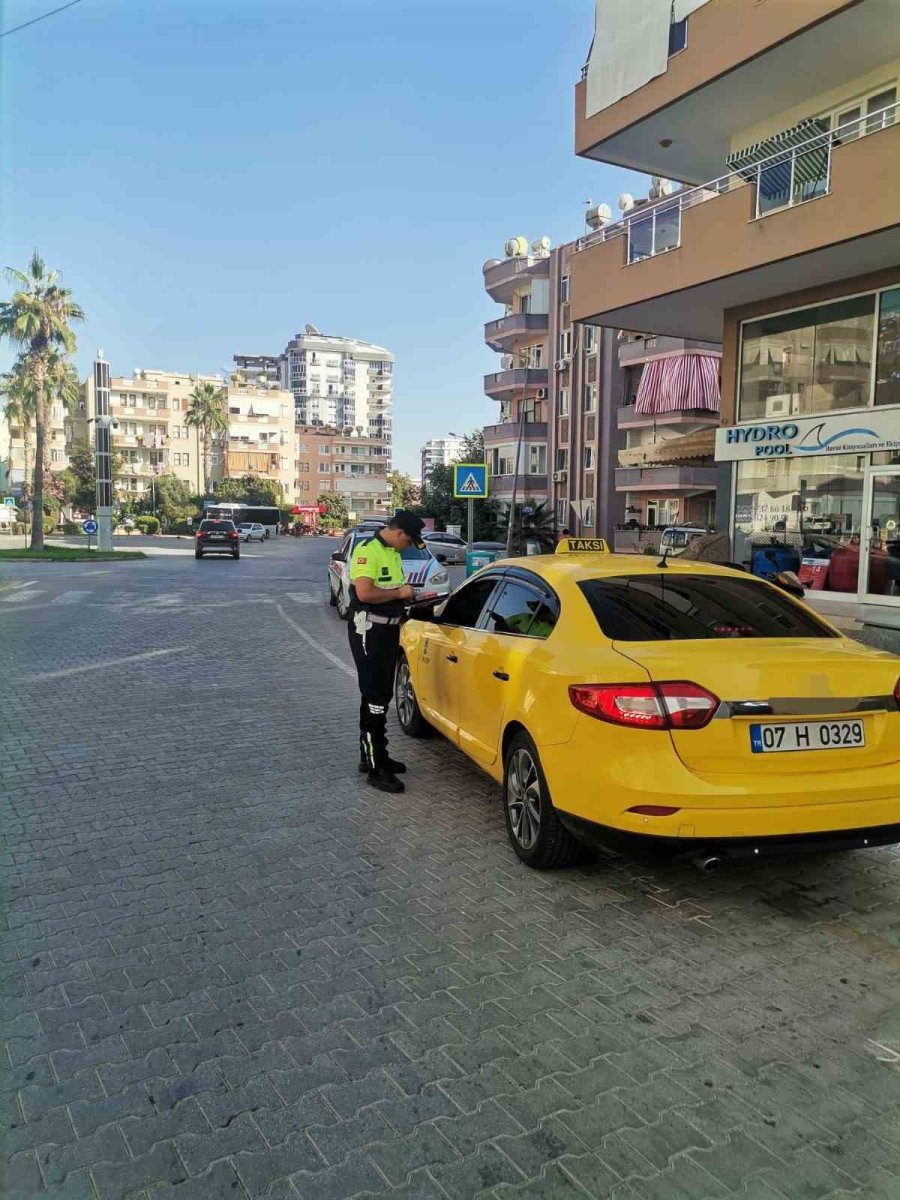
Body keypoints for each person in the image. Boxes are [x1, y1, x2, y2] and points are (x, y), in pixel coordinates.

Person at [348, 510, 437, 794]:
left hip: (388, 631)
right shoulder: (368, 551)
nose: (409, 546)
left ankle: (374, 754)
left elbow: (391, 593)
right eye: (409, 541)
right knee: (375, 697)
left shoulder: (393, 553)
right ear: (399, 533)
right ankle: (376, 769)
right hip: (369, 633)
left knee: (380, 694)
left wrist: (413, 599)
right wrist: (399, 594)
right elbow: (364, 593)